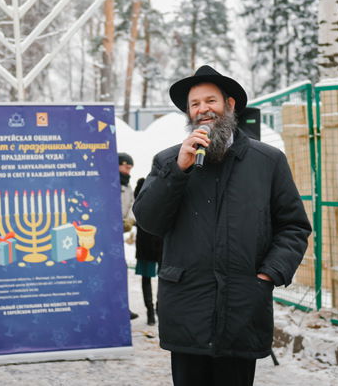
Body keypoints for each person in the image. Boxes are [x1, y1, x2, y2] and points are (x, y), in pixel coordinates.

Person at [132, 65, 311, 386]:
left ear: (230, 104)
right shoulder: (168, 160)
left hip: (243, 305)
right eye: (195, 104)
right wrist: (178, 170)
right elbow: (149, 221)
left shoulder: (267, 161)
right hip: (187, 305)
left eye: (210, 100)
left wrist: (269, 273)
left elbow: (294, 226)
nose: (203, 109)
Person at [134, 177, 162, 326]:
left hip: (161, 241)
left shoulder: (167, 181)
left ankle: (159, 308)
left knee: (163, 278)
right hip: (146, 242)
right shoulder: (142, 183)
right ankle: (150, 310)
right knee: (147, 277)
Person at [118, 152, 139, 321]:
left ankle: (123, 306)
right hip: (107, 234)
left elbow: (132, 205)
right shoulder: (110, 182)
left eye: (130, 168)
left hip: (119, 234)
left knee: (121, 271)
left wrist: (129, 221)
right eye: (126, 167)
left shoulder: (128, 186)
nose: (128, 172)